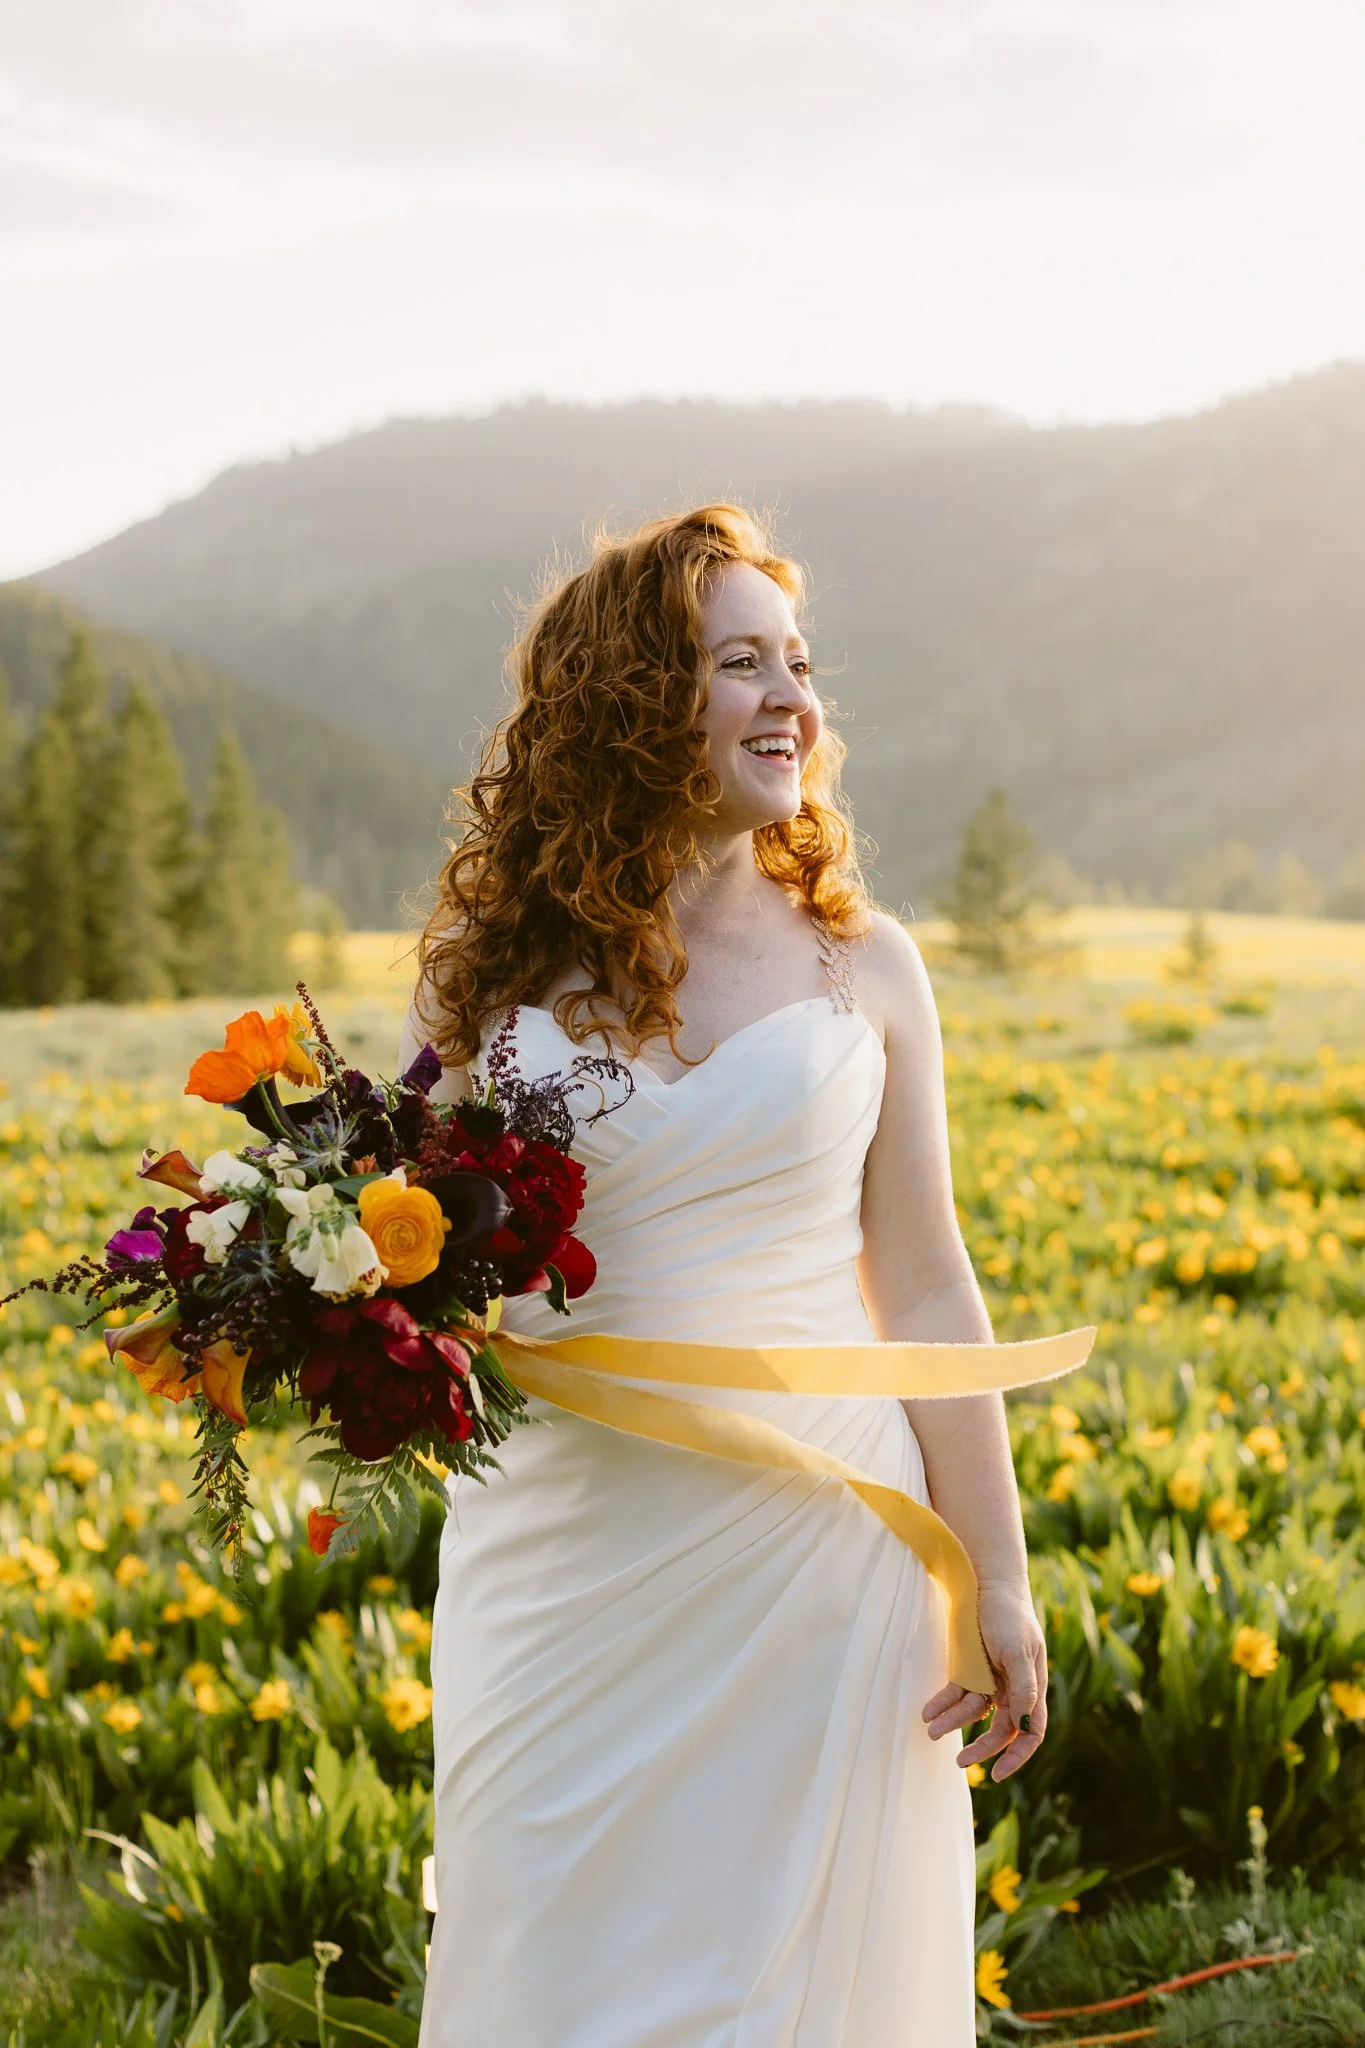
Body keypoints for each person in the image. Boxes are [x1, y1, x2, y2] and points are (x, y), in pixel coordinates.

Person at [399, 503, 1047, 2046]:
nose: (792, 699)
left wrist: (1000, 1570)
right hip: (563, 1556)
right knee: (555, 1957)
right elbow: (398, 1244)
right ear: (634, 700)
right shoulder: (485, 975)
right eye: (740, 662)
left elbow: (931, 1285)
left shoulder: (870, 967)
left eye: (799, 663)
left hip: (824, 1548)